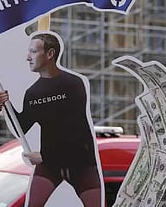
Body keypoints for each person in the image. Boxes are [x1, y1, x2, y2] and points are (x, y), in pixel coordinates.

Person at [12, 32, 103, 207]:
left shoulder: (73, 84)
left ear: (50, 54)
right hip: (50, 166)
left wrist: (44, 156)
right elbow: (20, 128)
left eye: (33, 52)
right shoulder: (32, 93)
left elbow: (74, 131)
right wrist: (4, 105)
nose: (27, 58)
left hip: (81, 164)